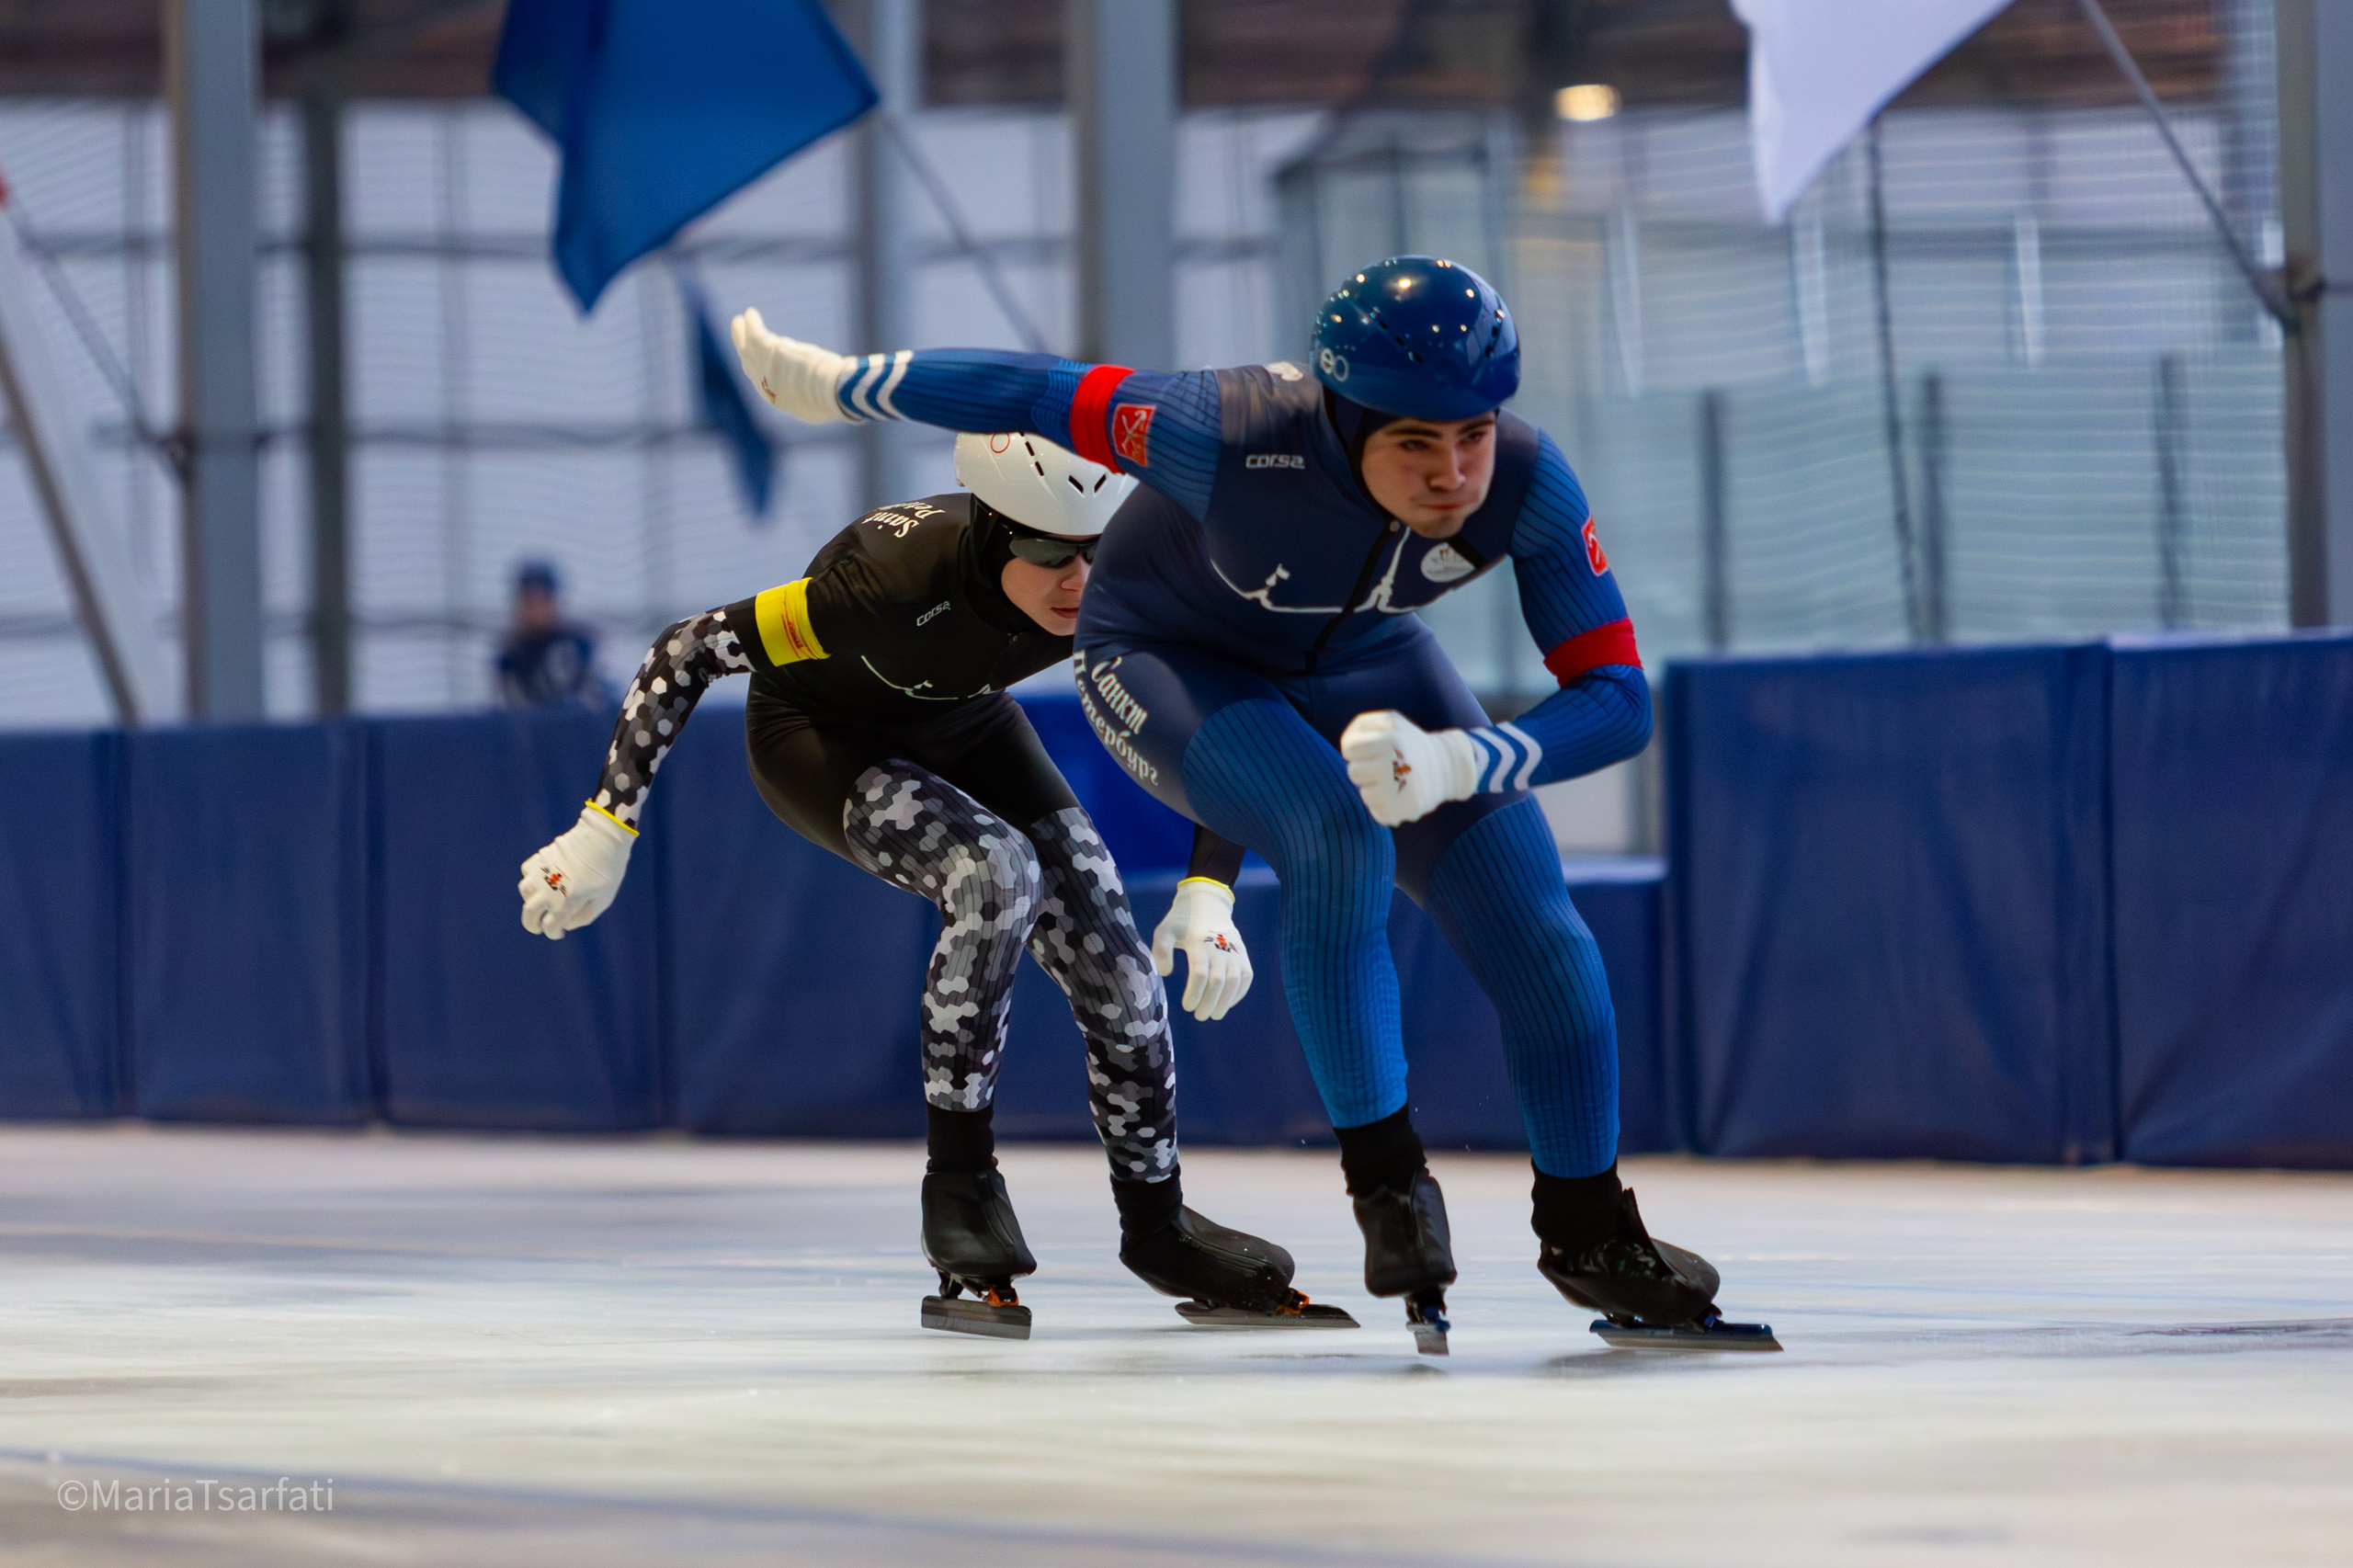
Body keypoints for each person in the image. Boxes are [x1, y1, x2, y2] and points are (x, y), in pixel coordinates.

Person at [724, 256, 1776, 1355]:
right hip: (1168, 652)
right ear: (1343, 417)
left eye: (1471, 433)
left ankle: (1588, 1224)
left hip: (1368, 658)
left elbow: (1617, 701)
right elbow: (1039, 392)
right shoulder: (1224, 431)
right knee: (1335, 836)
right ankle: (1389, 1188)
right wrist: (845, 384)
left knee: (1544, 932)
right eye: (1414, 441)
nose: (1452, 473)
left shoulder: (1526, 477)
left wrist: (1469, 760)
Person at [513, 431, 1351, 1340]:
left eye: (1096, 549)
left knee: (1120, 969)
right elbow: (686, 650)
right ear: (993, 532)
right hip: (819, 730)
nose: (1077, 579)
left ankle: (1159, 1227)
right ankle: (959, 1189)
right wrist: (605, 824)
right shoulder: (887, 579)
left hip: (962, 716)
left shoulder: (1139, 574)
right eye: (1045, 550)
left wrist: (1209, 887)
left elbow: (1223, 722)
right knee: (994, 870)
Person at [494, 561, 607, 709]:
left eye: (543, 601)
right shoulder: (510, 656)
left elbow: (595, 699)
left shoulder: (578, 645)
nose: (537, 610)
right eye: (531, 602)